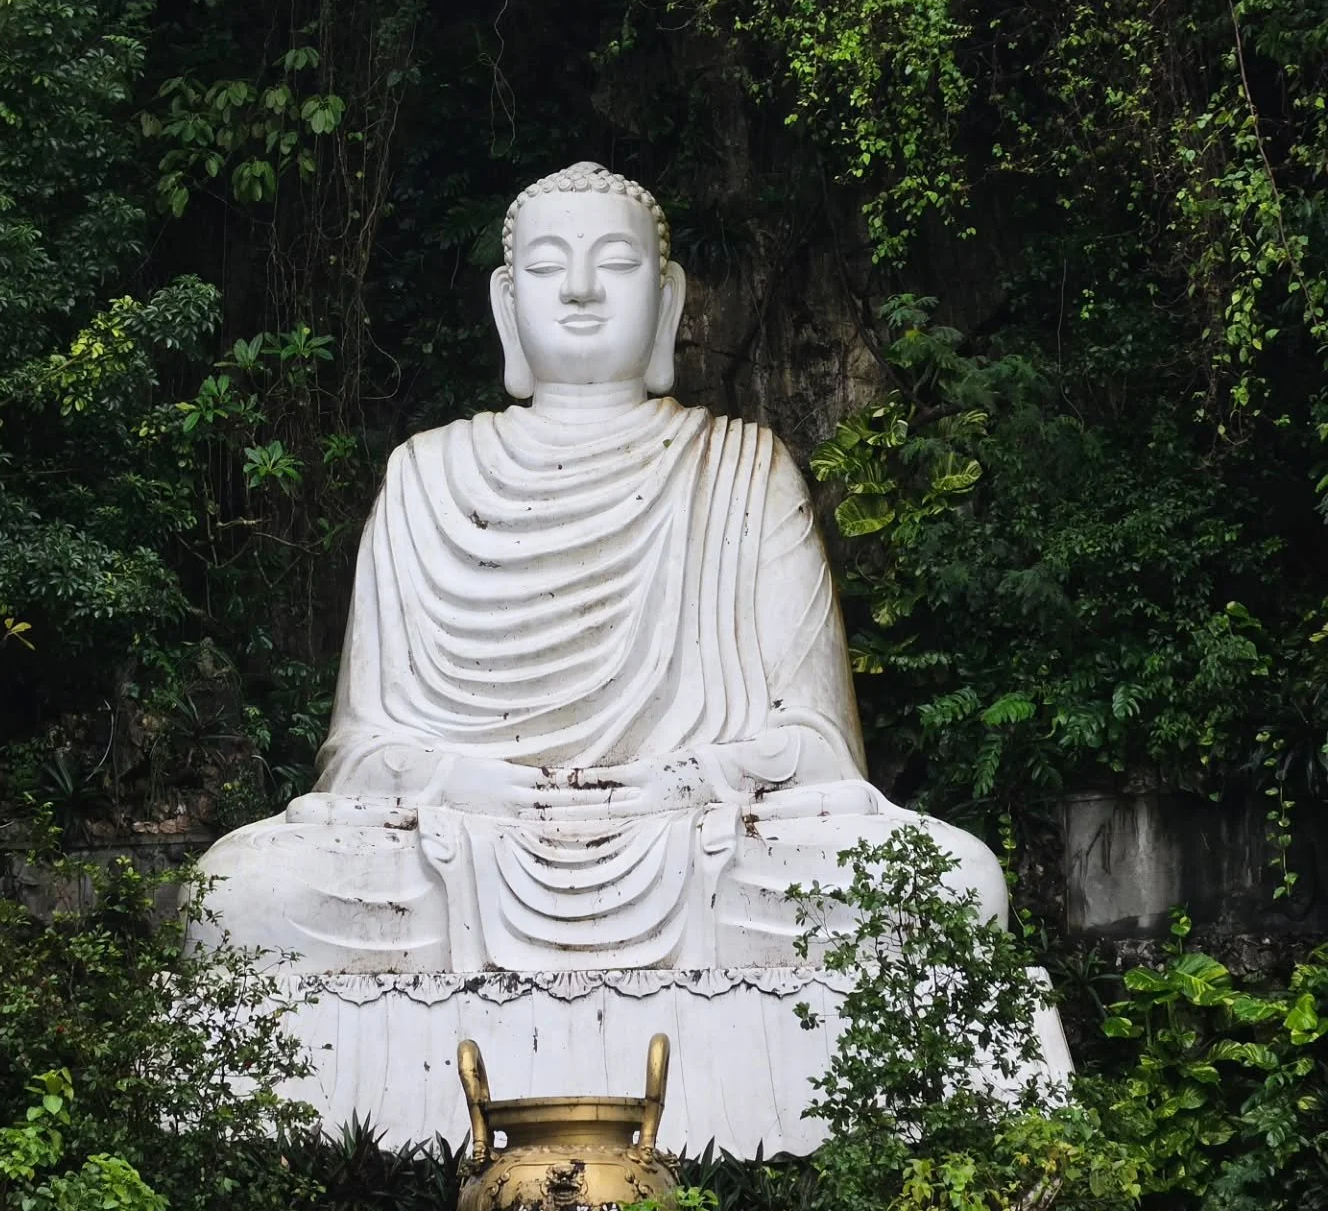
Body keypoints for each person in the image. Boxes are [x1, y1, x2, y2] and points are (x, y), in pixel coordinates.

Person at [189, 163, 1006, 971]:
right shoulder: (426, 476)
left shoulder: (744, 468)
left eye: (615, 265)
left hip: (698, 838)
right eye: (547, 270)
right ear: (508, 305)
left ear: (669, 299)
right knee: (237, 895)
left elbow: (815, 745)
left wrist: (676, 785)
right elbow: (361, 757)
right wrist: (475, 786)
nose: (580, 290)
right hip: (465, 842)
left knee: (950, 886)